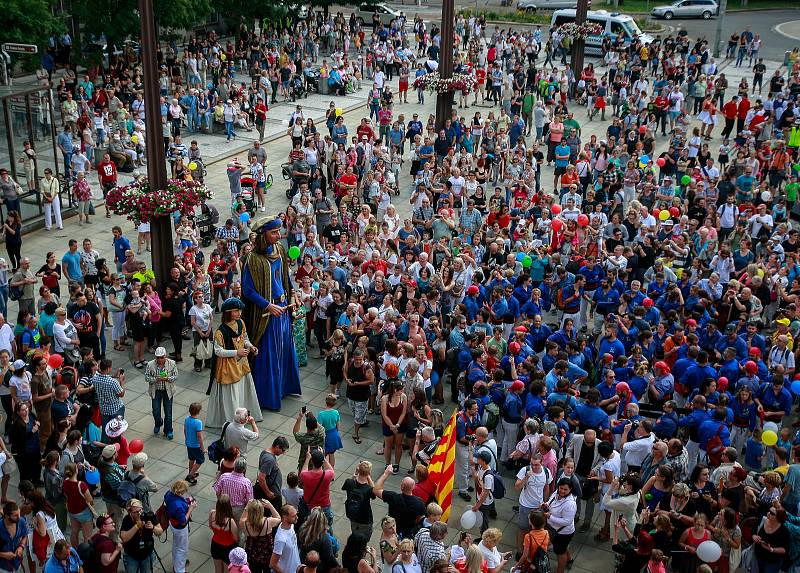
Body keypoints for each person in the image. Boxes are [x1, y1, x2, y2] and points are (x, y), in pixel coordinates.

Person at [240, 217, 302, 411]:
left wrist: (294, 293)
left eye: (278, 231)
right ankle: (268, 396)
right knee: (269, 352)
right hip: (266, 314)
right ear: (262, 234)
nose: (278, 235)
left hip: (283, 307)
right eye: (274, 232)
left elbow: (285, 276)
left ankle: (285, 387)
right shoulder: (253, 259)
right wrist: (267, 306)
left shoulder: (280, 250)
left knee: (284, 346)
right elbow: (247, 290)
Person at [206, 298, 263, 427]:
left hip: (241, 364)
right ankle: (234, 423)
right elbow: (218, 351)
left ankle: (244, 416)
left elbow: (245, 338)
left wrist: (251, 347)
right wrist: (236, 352)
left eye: (239, 311)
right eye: (236, 311)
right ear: (228, 312)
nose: (239, 313)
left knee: (241, 391)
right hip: (228, 368)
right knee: (232, 395)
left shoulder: (240, 323)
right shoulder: (221, 331)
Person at [143, 346, 178, 440]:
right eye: (158, 358)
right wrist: (155, 379)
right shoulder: (150, 365)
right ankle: (158, 423)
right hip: (156, 391)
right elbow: (146, 377)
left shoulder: (172, 363)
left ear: (165, 356)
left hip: (168, 391)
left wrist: (167, 379)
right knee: (156, 411)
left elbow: (176, 375)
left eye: (162, 357)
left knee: (168, 413)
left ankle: (168, 430)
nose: (160, 360)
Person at [119, 498, 163, 573]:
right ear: (130, 512)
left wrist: (153, 527)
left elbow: (160, 531)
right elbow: (124, 538)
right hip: (132, 555)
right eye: (136, 512)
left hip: (147, 554)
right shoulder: (127, 520)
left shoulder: (149, 516)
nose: (140, 513)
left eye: (140, 510)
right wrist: (136, 526)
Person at [164, 480, 196, 573]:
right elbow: (183, 521)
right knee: (182, 549)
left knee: (176, 545)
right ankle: (180, 570)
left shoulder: (169, 494)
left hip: (173, 523)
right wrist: (190, 509)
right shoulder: (178, 506)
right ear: (181, 492)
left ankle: (177, 564)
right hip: (180, 528)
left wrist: (186, 501)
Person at [210, 494, 239, 573]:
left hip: (215, 545)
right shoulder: (230, 522)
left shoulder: (212, 513)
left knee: (218, 569)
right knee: (227, 570)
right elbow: (236, 538)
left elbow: (210, 527)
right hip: (228, 548)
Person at [271, 504, 301, 573]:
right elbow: (272, 564)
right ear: (285, 517)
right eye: (293, 516)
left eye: (296, 514)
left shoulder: (291, 525)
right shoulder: (281, 539)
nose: (297, 517)